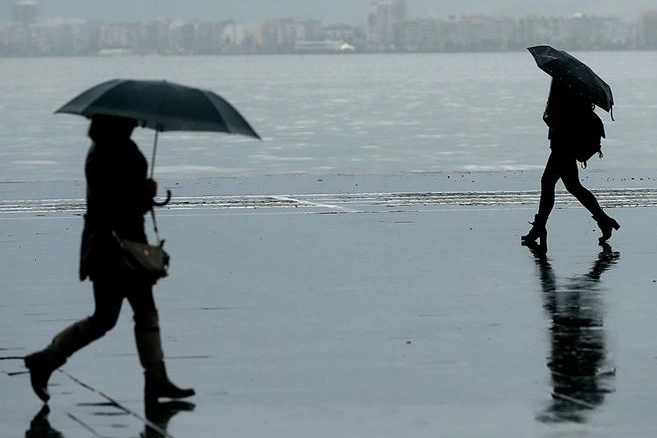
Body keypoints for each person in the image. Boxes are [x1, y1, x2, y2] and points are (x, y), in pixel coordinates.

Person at [24, 114, 194, 403]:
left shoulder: (104, 149)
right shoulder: (115, 152)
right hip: (117, 248)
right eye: (130, 120)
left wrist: (142, 195)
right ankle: (154, 378)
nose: (137, 123)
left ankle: (49, 359)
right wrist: (145, 194)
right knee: (127, 314)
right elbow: (119, 205)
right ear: (118, 123)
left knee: (116, 315)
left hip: (106, 246)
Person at [521, 80, 619, 249]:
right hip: (565, 145)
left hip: (563, 145)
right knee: (573, 186)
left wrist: (550, 117)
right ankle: (604, 220)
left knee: (549, 182)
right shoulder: (576, 90)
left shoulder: (564, 89)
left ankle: (539, 227)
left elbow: (561, 120)